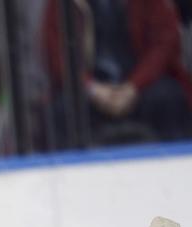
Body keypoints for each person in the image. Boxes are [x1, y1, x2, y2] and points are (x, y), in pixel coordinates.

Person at [43, 0, 192, 146]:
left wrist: (133, 86)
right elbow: (58, 55)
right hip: (90, 89)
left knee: (169, 98)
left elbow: (165, 43)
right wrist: (93, 89)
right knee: (64, 110)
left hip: (141, 85)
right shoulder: (62, 4)